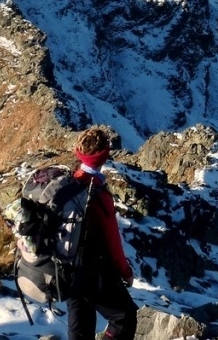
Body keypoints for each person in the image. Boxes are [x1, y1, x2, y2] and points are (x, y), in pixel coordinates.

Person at [66, 126, 138, 340]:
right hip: (92, 271)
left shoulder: (67, 183)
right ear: (105, 155)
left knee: (80, 329)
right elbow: (113, 243)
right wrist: (126, 273)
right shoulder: (98, 194)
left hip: (66, 268)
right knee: (124, 317)